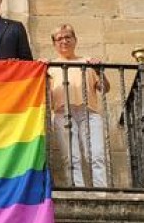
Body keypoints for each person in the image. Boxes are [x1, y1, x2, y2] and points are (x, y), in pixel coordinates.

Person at [47, 24, 110, 188]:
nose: (64, 41)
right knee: (71, 157)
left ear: (75, 40)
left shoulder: (87, 62)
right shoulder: (50, 66)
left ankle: (100, 189)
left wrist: (99, 70)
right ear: (54, 43)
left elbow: (105, 88)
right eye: (59, 38)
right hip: (62, 113)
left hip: (88, 112)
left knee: (95, 154)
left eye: (68, 37)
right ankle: (77, 189)